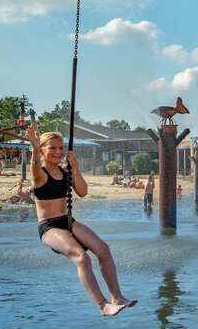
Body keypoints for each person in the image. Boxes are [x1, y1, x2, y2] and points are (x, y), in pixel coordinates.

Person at [26, 123, 136, 316]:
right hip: (49, 227)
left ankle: (116, 297)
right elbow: (35, 170)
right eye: (52, 148)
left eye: (61, 148)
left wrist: (75, 167)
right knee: (82, 257)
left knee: (103, 250)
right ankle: (103, 305)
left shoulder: (64, 170)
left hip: (68, 221)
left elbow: (83, 192)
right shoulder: (40, 175)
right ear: (42, 150)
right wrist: (35, 150)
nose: (58, 152)